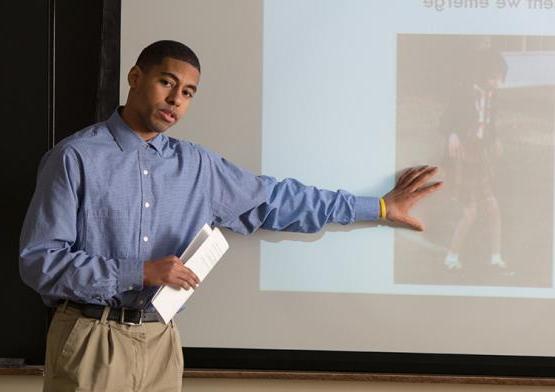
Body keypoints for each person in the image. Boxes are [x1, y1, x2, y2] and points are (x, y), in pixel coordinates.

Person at [20, 40, 441, 392]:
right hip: (93, 340)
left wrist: (381, 207)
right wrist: (140, 271)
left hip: (161, 341)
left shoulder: (199, 167)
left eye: (188, 92)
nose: (175, 100)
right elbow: (40, 262)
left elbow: (279, 199)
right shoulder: (75, 157)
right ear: (135, 78)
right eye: (167, 82)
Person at [442, 47, 507, 271]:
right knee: (470, 214)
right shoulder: (464, 94)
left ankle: (495, 257)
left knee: (493, 208)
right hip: (463, 159)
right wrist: (452, 134)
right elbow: (448, 118)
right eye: (494, 77)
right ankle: (451, 257)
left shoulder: (492, 96)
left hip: (480, 158)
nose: (498, 82)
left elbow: (489, 123)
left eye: (500, 77)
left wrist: (495, 139)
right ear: (483, 75)